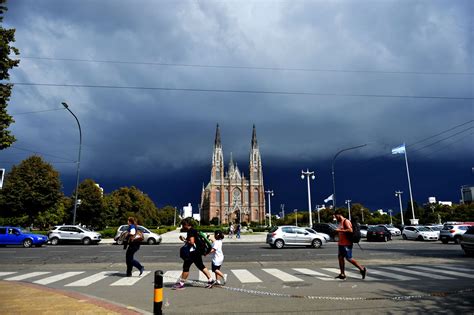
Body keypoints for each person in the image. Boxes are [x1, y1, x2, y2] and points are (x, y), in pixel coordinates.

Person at [172, 218, 215, 290]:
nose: (182, 227)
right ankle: (210, 280)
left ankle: (181, 284)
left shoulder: (190, 231)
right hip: (197, 252)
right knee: (201, 266)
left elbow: (192, 242)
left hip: (193, 253)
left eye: (183, 225)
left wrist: (185, 240)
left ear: (186, 225)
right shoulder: (195, 230)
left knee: (186, 267)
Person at [334, 209, 367, 280]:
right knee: (340, 258)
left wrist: (339, 230)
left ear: (339, 215)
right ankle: (342, 274)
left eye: (336, 216)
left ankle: (362, 269)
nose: (335, 218)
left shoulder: (346, 221)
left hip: (347, 244)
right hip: (341, 244)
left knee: (349, 258)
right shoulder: (340, 222)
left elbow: (350, 230)